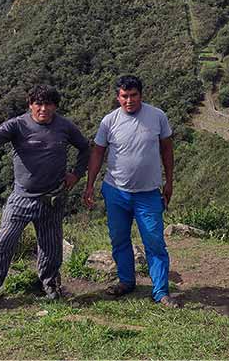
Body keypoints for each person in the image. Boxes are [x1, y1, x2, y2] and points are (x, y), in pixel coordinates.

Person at [0, 84, 90, 314]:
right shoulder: (18, 125)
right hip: (21, 198)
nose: (43, 109)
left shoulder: (65, 126)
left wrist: (76, 174)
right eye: (38, 104)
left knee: (50, 246)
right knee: (3, 243)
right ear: (30, 105)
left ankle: (50, 286)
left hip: (53, 197)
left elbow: (85, 148)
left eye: (48, 104)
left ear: (55, 106)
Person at [83, 75, 177, 307]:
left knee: (154, 242)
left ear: (141, 95)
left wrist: (169, 181)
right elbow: (97, 152)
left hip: (148, 193)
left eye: (133, 95)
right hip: (116, 191)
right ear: (118, 97)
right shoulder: (109, 121)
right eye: (124, 96)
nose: (129, 100)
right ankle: (126, 281)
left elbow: (167, 149)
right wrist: (90, 184)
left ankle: (161, 291)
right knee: (119, 239)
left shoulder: (157, 117)